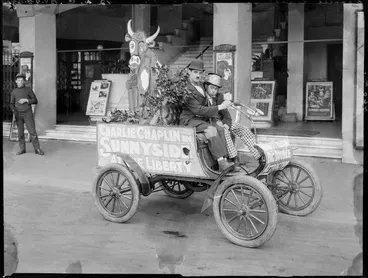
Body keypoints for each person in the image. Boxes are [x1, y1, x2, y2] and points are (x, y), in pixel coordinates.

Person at [179, 59, 234, 171]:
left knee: (220, 128)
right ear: (189, 72)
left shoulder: (200, 85)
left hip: (201, 119)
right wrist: (220, 107)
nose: (198, 75)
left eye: (200, 73)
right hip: (189, 120)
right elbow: (198, 110)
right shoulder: (186, 89)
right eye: (195, 72)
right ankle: (221, 163)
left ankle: (225, 159)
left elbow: (211, 97)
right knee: (211, 130)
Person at [203, 73, 262, 163]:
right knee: (225, 132)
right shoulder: (202, 98)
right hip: (211, 124)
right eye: (212, 88)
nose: (214, 91)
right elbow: (203, 115)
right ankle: (233, 159)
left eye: (216, 88)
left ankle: (259, 156)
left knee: (243, 130)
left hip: (221, 122)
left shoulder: (219, 97)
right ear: (206, 86)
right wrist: (221, 125)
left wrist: (226, 124)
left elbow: (227, 115)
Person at [10, 73, 44, 155]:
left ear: (24, 81)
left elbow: (35, 100)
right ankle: (22, 149)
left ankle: (37, 149)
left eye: (22, 80)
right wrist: (14, 112)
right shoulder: (14, 92)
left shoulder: (28, 90)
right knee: (20, 133)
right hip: (18, 114)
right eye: (19, 80)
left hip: (27, 113)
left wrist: (26, 100)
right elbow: (11, 104)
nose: (20, 82)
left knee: (32, 131)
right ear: (16, 81)